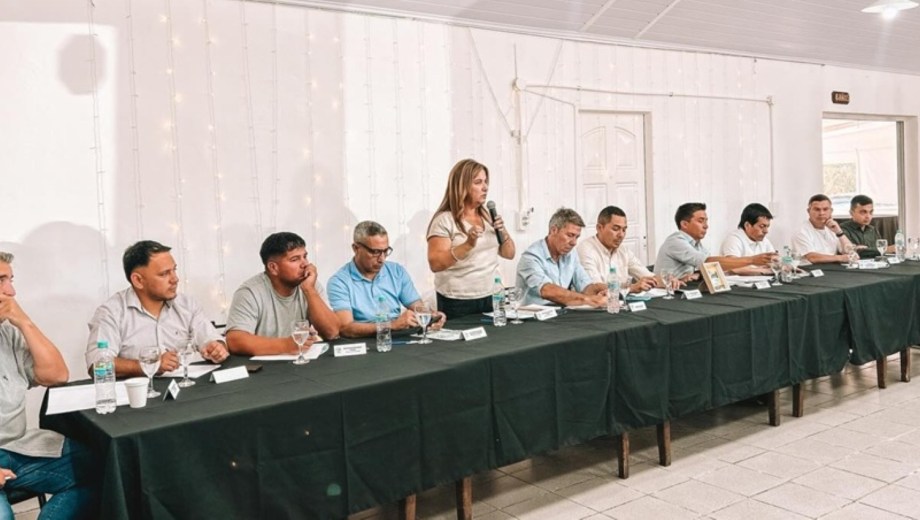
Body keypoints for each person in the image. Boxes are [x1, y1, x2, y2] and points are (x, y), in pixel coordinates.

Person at [1, 252, 96, 519]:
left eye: (10, 279)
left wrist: (25, 322)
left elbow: (56, 375)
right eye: (1, 280)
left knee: (110, 467)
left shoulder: (7, 332)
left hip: (18, 447)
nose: (11, 291)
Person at [86, 241, 229, 377]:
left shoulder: (187, 305)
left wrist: (217, 348)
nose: (175, 279)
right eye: (164, 274)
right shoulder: (111, 313)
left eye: (174, 270)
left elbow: (212, 340)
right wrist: (147, 365)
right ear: (138, 280)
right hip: (138, 396)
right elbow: (97, 366)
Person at [427, 159, 515, 319]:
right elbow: (436, 263)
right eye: (478, 182)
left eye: (486, 182)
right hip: (458, 300)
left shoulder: (488, 215)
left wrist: (504, 232)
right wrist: (468, 244)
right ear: (462, 186)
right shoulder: (445, 220)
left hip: (492, 295)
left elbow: (509, 254)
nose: (485, 187)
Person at [226, 232, 339, 355]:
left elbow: (332, 332)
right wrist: (286, 345)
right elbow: (235, 341)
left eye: (305, 256)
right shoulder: (250, 292)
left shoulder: (310, 285)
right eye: (294, 259)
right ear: (273, 268)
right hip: (265, 368)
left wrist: (309, 291)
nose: (305, 264)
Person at [328, 221, 446, 338]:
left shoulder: (396, 271)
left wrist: (432, 316)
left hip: (398, 338)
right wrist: (391, 325)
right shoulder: (339, 282)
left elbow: (418, 308)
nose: (382, 259)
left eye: (385, 251)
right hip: (364, 344)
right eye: (375, 252)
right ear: (356, 248)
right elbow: (345, 328)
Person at [654, 202, 775, 279]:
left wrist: (697, 275)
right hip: (666, 293)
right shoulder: (675, 241)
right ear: (684, 224)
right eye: (701, 221)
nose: (706, 226)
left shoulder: (698, 245)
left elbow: (711, 269)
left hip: (684, 290)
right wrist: (752, 260)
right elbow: (708, 262)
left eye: (706, 221)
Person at [516, 208, 607, 308]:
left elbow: (584, 286)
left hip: (561, 315)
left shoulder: (571, 254)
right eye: (570, 235)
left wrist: (601, 290)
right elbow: (547, 290)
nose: (574, 242)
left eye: (577, 237)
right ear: (553, 230)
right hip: (534, 318)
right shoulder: (530, 257)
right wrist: (588, 300)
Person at [576, 206, 658, 293]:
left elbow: (649, 277)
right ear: (599, 228)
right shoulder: (586, 249)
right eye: (616, 229)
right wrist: (631, 288)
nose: (621, 235)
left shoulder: (623, 250)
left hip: (619, 303)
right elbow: (594, 288)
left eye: (624, 230)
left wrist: (668, 281)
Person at [792, 194, 858, 264]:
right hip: (811, 271)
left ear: (831, 211)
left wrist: (839, 232)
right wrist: (840, 258)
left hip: (832, 270)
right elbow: (812, 257)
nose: (821, 213)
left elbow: (850, 252)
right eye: (817, 209)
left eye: (825, 209)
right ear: (808, 211)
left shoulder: (832, 228)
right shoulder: (801, 231)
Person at [719, 203, 776, 275]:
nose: (766, 231)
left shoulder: (765, 241)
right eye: (762, 226)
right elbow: (733, 268)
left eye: (767, 226)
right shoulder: (734, 239)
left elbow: (774, 263)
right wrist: (763, 270)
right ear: (747, 225)